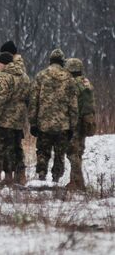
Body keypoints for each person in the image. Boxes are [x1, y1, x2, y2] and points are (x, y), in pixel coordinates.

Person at [29, 49, 78, 182]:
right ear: (62, 62)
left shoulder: (41, 76)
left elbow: (33, 101)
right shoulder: (69, 78)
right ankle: (56, 177)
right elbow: (73, 105)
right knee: (59, 153)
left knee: (42, 151)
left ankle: (41, 173)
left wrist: (32, 122)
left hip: (43, 123)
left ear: (50, 60)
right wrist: (73, 126)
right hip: (63, 125)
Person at [0, 41, 29, 183]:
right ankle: (19, 176)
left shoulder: (6, 75)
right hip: (18, 117)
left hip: (6, 116)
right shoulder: (24, 75)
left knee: (3, 146)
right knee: (15, 147)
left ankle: (8, 175)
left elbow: (1, 97)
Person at [65, 58, 96, 190]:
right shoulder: (86, 82)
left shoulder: (72, 84)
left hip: (75, 121)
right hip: (86, 120)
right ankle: (75, 181)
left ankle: (78, 183)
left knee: (72, 152)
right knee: (78, 152)